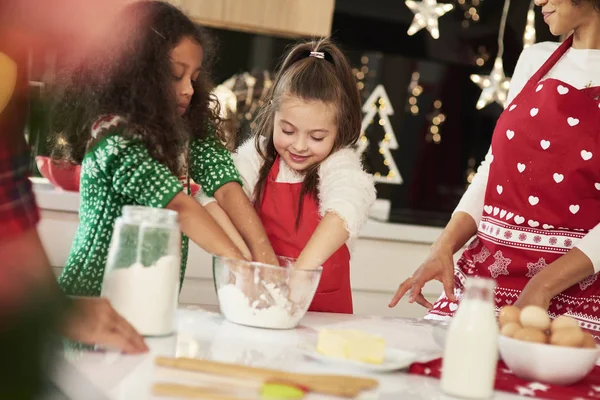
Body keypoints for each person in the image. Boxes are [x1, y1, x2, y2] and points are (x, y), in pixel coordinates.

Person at [390, 0, 600, 336]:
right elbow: (495, 166)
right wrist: (444, 244)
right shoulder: (534, 59)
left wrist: (542, 287)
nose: (538, 1)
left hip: (575, 293)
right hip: (486, 275)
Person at [52, 1, 277, 299]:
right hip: (91, 301)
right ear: (135, 71)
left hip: (151, 299)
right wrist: (242, 267)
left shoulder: (185, 125)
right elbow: (177, 205)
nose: (189, 90)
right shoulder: (112, 135)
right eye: (175, 75)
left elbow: (224, 182)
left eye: (194, 78)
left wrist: (268, 262)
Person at [205, 39, 376, 314]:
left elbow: (348, 206)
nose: (299, 145)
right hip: (258, 302)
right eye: (287, 131)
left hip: (323, 314)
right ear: (273, 116)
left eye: (317, 136)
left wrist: (300, 274)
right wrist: (245, 261)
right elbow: (218, 195)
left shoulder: (339, 163)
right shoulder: (257, 157)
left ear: (339, 130)